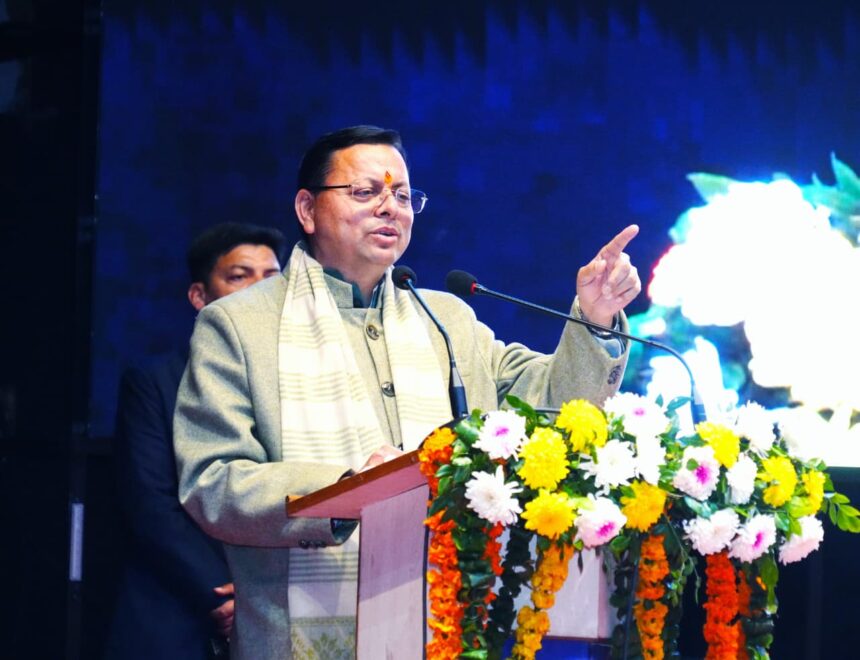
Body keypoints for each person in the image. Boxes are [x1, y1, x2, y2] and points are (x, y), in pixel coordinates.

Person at [173, 125, 642, 659]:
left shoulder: (446, 318)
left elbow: (551, 406)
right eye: (365, 191)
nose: (389, 208)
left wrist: (595, 319)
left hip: (448, 630)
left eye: (402, 195)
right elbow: (213, 482)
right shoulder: (239, 325)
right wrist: (346, 490)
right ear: (307, 209)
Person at [105, 223, 286, 660]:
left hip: (281, 603)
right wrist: (222, 591)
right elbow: (150, 504)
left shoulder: (299, 380)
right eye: (239, 276)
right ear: (199, 296)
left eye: (272, 277)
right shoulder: (155, 382)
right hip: (179, 606)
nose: (260, 290)